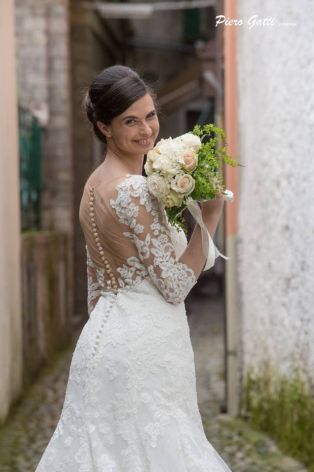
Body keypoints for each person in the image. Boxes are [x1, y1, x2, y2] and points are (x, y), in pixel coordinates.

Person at [35, 65, 232, 471]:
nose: (146, 130)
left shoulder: (93, 186)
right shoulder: (133, 189)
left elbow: (96, 286)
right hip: (145, 347)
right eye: (130, 120)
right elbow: (175, 285)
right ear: (105, 127)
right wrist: (210, 217)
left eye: (150, 115)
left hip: (103, 343)